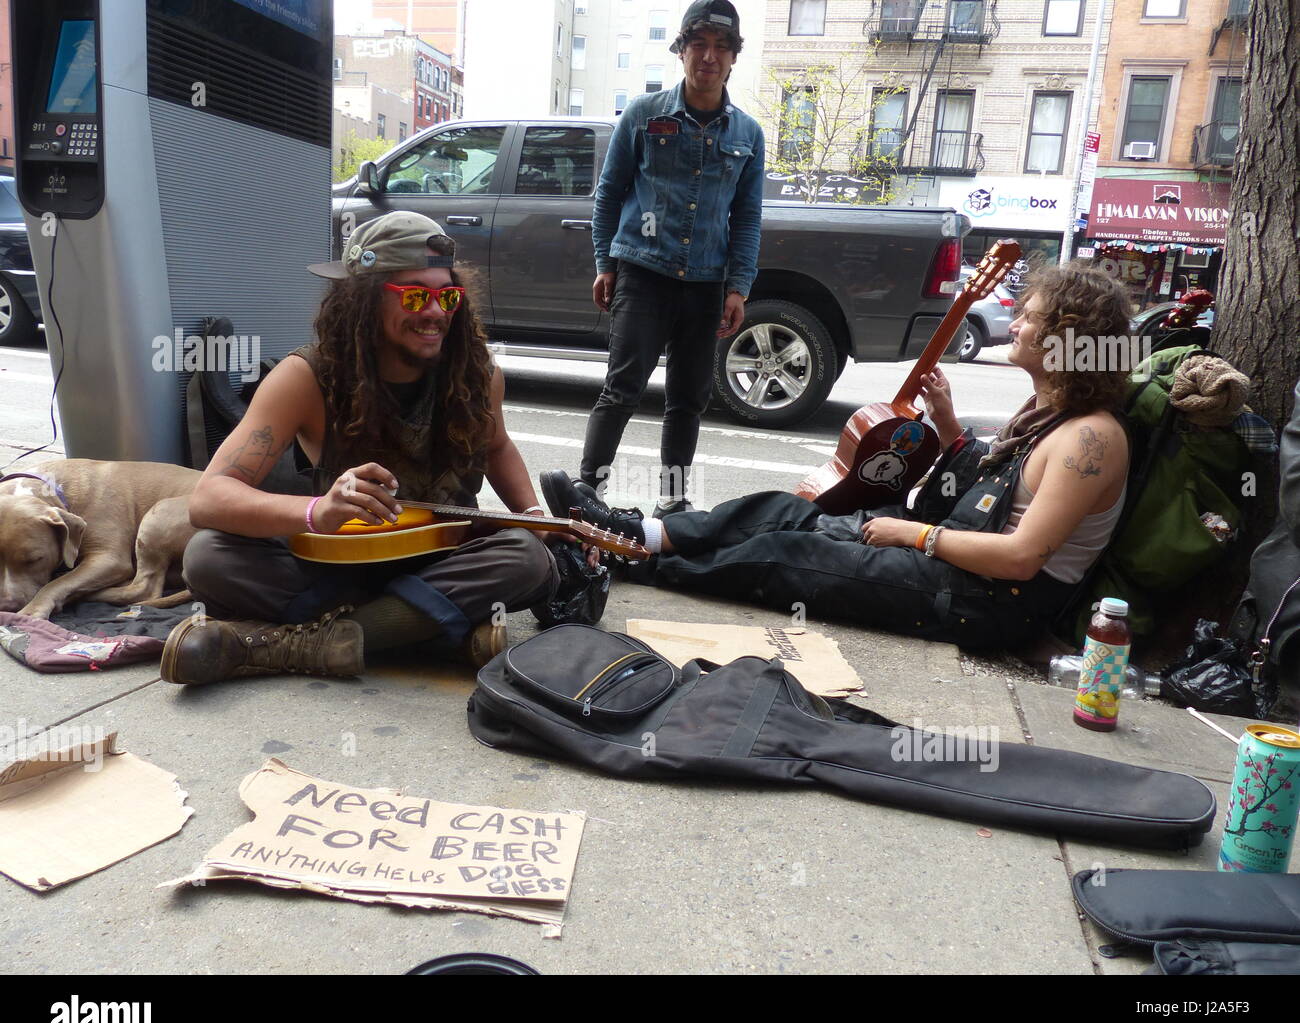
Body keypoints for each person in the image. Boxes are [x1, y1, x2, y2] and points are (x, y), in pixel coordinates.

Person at [542, 263, 1135, 650]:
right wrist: (952, 428)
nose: (1017, 320)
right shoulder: (1047, 410)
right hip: (958, 567)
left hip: (987, 604)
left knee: (783, 554)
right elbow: (991, 491)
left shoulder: (1091, 440)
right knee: (783, 510)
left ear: (1065, 337)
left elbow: (1021, 559)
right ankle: (637, 530)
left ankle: (620, 559)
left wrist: (912, 535)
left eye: (1030, 315)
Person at [161, 212, 558, 685]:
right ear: (363, 299)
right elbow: (209, 499)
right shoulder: (305, 377)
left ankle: (286, 647)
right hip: (336, 565)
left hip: (440, 560)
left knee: (526, 557)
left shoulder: (478, 374)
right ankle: (431, 635)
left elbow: (496, 448)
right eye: (415, 295)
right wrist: (315, 512)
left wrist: (535, 516)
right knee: (207, 557)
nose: (435, 313)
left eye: (447, 295)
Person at [557, 0, 764, 520]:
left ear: (734, 57)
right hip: (642, 274)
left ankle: (672, 499)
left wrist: (737, 287)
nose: (709, 57)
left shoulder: (747, 135)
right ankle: (588, 492)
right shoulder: (644, 115)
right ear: (682, 51)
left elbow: (748, 217)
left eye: (721, 47)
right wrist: (606, 262)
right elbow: (609, 194)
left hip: (705, 284)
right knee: (621, 388)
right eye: (700, 45)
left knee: (689, 398)